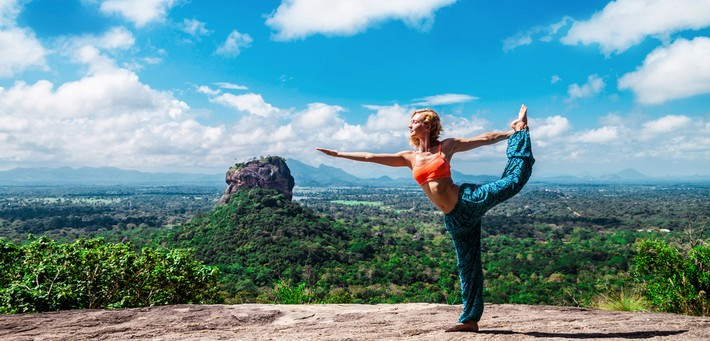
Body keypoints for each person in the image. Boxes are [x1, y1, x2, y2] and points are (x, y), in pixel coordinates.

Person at [316, 104, 534, 332]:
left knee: (513, 182)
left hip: (469, 200)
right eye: (410, 122)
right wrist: (338, 154)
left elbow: (485, 138)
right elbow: (371, 157)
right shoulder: (409, 157)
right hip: (456, 218)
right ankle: (470, 320)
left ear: (428, 125)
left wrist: (514, 133)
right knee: (467, 266)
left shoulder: (446, 146)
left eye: (415, 121)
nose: (410, 125)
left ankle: (521, 130)